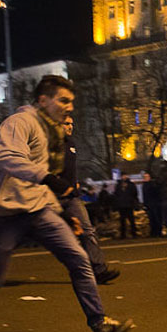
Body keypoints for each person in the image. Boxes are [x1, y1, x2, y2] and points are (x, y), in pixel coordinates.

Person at [0, 74, 133, 332]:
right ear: (43, 100)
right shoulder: (20, 123)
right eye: (63, 100)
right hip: (3, 214)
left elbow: (41, 181)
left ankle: (99, 324)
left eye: (72, 102)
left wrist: (65, 215)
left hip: (39, 210)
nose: (69, 107)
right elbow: (9, 157)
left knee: (79, 260)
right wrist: (49, 179)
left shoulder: (54, 132)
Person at [50, 115, 119, 284]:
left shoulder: (71, 144)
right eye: (66, 123)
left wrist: (75, 184)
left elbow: (70, 170)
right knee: (55, 236)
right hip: (53, 197)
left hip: (72, 197)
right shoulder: (48, 145)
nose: (70, 127)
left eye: (71, 124)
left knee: (87, 230)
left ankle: (98, 270)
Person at [141, 170, 162, 237]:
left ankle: (158, 232)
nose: (146, 178)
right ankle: (154, 232)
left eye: (147, 176)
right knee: (151, 219)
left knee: (156, 218)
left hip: (154, 204)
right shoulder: (145, 185)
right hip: (149, 204)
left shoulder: (152, 184)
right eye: (145, 177)